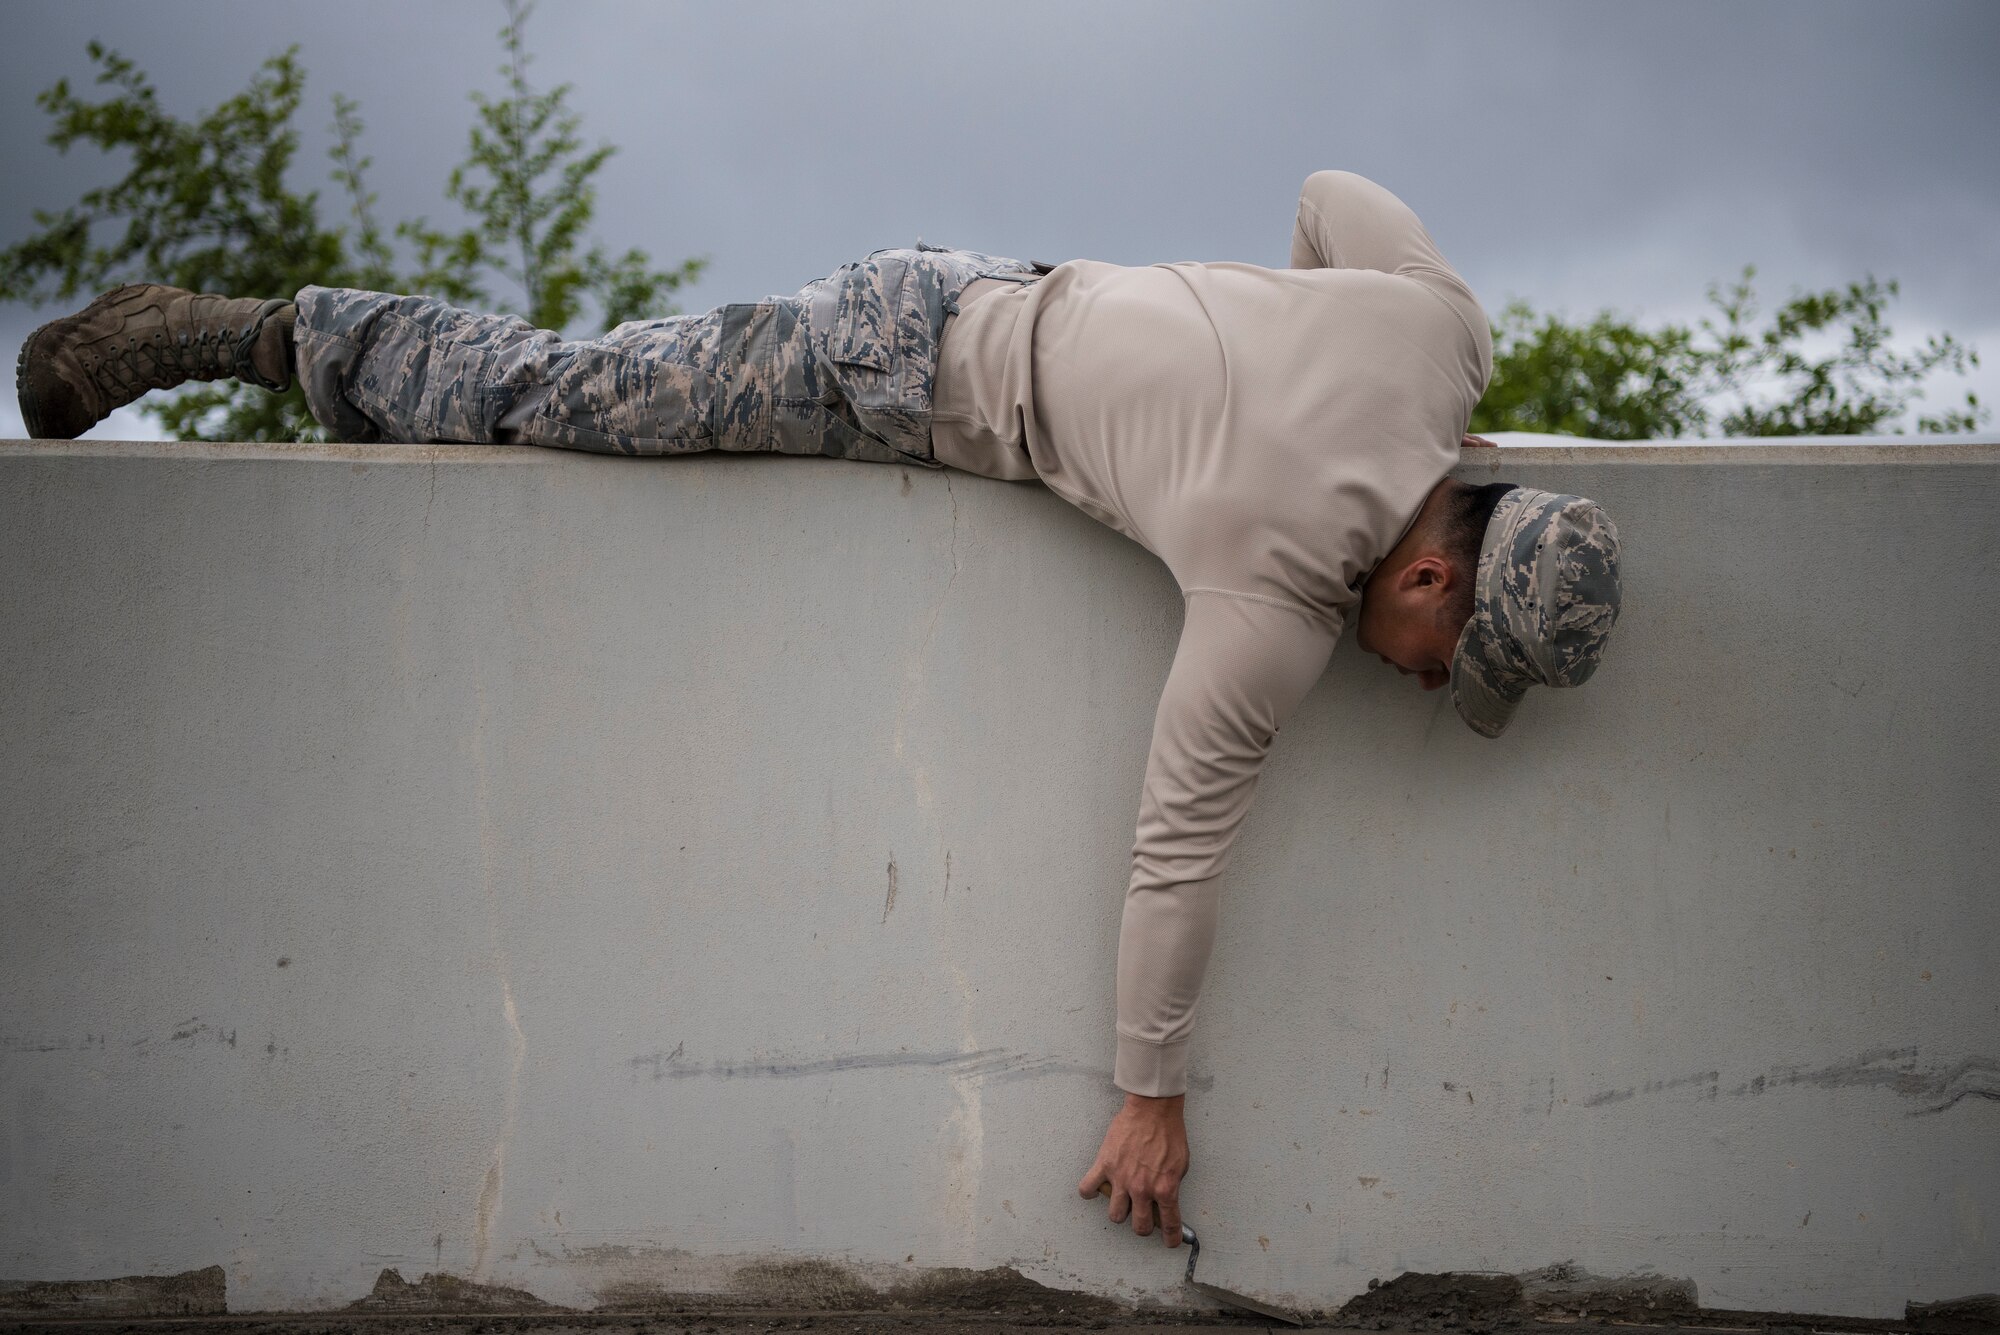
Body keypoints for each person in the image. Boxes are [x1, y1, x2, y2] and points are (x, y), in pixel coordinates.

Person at [16, 170, 1622, 1248]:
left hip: (991, 284)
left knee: (577, 389)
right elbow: (1176, 855)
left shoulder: (1440, 340)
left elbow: (1336, 196)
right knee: (563, 397)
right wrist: (1150, 1099)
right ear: (1433, 582)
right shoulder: (1274, 583)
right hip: (892, 364)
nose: (1423, 695)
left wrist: (1269, 345)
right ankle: (244, 334)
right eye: (1449, 669)